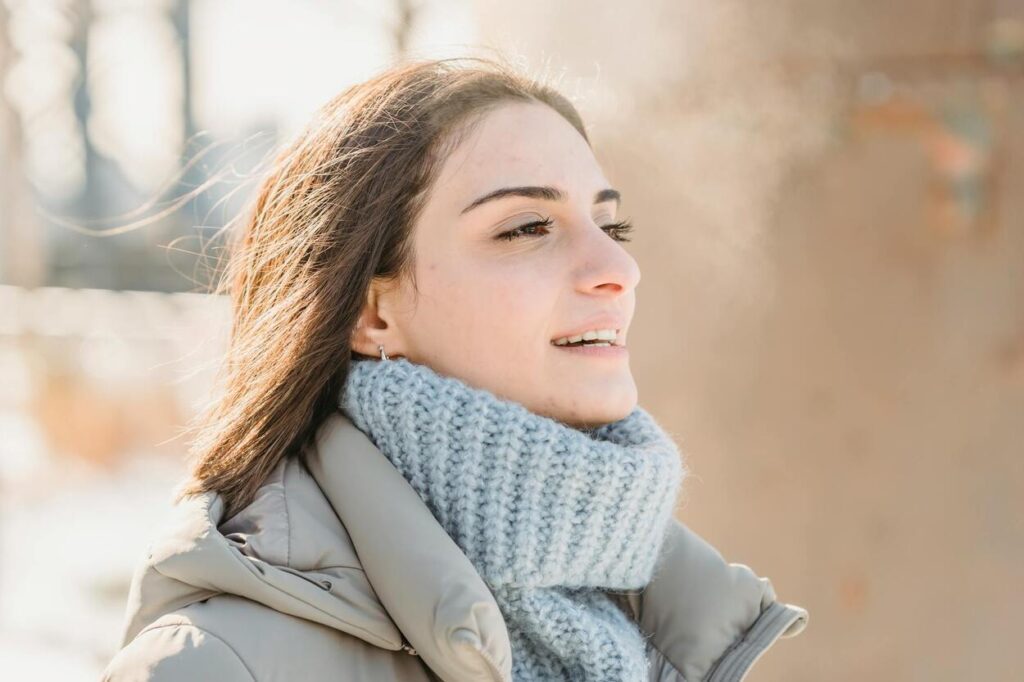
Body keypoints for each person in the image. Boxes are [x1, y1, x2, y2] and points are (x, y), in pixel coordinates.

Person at [101, 55, 808, 682]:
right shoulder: (217, 666)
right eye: (529, 227)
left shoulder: (661, 628)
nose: (618, 269)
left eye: (610, 226)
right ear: (372, 313)